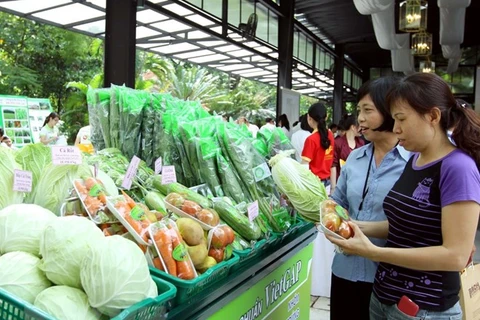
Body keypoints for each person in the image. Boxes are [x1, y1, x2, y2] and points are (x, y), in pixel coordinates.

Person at [328, 73, 480, 320]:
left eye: (401, 119)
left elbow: (456, 256)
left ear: (433, 116)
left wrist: (373, 252)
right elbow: (405, 226)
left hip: (424, 308)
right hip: (386, 299)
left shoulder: (457, 167)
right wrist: (357, 227)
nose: (396, 128)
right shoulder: (417, 160)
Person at [327, 76, 410, 320]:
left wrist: (355, 226)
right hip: (344, 270)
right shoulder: (355, 158)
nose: (359, 118)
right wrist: (326, 215)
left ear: (389, 112)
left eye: (367, 110)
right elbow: (338, 201)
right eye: (358, 111)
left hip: (387, 278)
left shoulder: (413, 163)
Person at [330, 113, 365, 194]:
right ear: (353, 127)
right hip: (341, 183)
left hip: (357, 184)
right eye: (360, 125)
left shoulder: (361, 143)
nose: (362, 128)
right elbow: (333, 165)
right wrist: (333, 188)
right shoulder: (338, 143)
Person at [301, 103, 334, 185]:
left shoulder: (311, 139)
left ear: (309, 118)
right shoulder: (331, 135)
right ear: (326, 117)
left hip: (315, 184)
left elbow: (304, 166)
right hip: (328, 182)